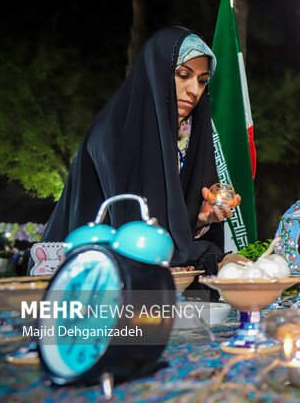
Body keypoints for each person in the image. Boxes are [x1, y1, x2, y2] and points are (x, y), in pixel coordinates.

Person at [39, 27, 246, 287]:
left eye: (203, 80)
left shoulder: (184, 135)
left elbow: (156, 225)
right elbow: (134, 236)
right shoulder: (115, 134)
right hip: (89, 285)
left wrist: (199, 220)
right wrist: (212, 257)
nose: (194, 90)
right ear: (156, 73)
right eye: (183, 75)